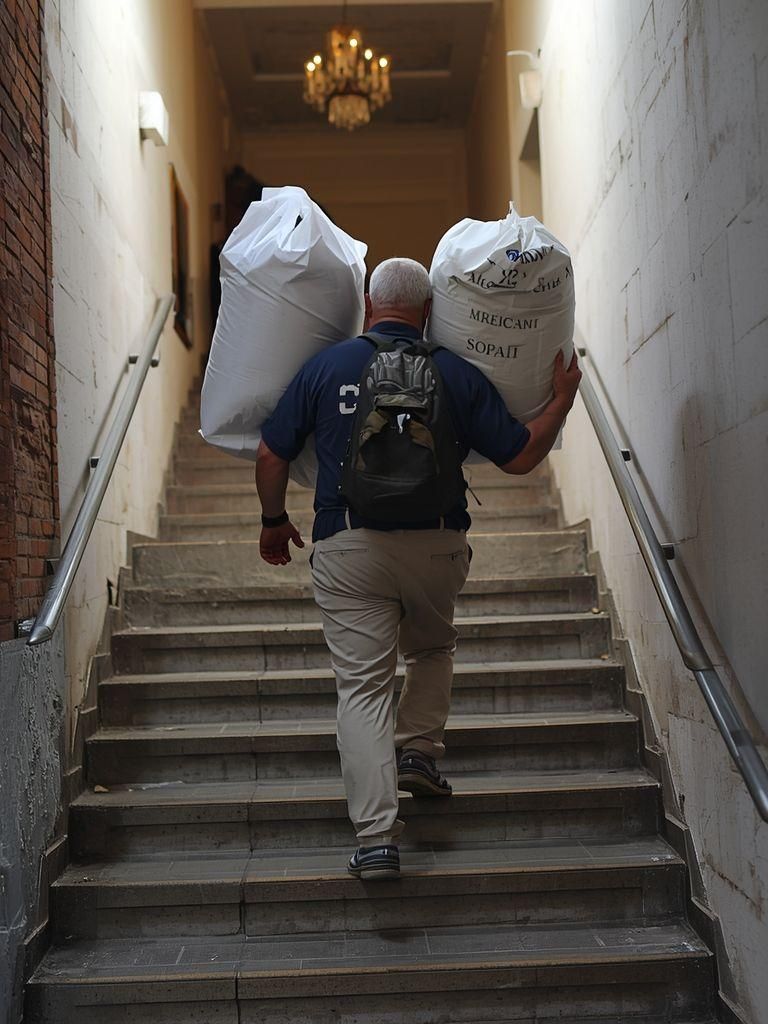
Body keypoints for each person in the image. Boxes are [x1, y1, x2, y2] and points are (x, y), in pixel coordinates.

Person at [255, 257, 582, 880]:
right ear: (429, 313)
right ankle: (420, 751)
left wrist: (274, 520)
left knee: (362, 687)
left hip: (350, 547)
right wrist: (559, 401)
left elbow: (271, 455)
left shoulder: (327, 367)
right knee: (431, 649)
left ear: (369, 309)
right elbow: (518, 457)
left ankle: (377, 838)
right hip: (436, 545)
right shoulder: (453, 371)